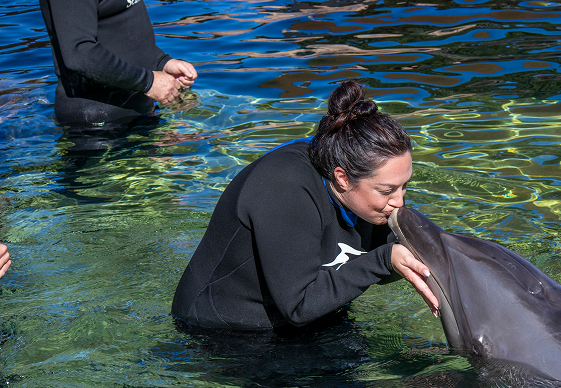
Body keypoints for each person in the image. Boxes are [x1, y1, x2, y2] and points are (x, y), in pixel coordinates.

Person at [172, 81, 438, 331]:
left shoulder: (368, 194)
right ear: (342, 178)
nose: (399, 201)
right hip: (228, 330)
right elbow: (298, 306)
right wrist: (384, 260)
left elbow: (383, 256)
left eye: (404, 186)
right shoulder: (284, 187)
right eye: (387, 191)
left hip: (313, 317)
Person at [39, 0, 197, 125]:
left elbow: (118, 27)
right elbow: (79, 53)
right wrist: (148, 82)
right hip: (98, 126)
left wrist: (161, 62)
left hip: (136, 111)